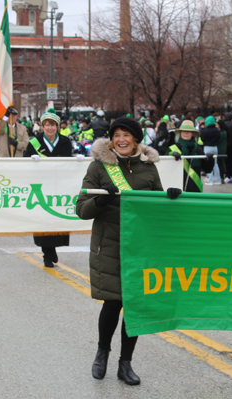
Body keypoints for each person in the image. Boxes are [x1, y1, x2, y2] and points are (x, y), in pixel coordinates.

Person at [76, 117, 178, 386]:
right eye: (117, 135)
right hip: (109, 244)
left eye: (127, 135)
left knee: (134, 305)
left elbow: (157, 209)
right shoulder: (99, 166)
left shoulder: (148, 168)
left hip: (140, 245)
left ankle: (126, 363)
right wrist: (100, 199)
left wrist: (171, 198)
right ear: (111, 139)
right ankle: (102, 353)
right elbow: (81, 210)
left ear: (136, 139)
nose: (121, 139)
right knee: (112, 303)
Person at [24, 110, 74, 267]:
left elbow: (69, 162)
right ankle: (46, 252)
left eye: (52, 125)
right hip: (42, 187)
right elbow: (24, 163)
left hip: (59, 186)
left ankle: (53, 249)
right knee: (43, 218)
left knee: (57, 216)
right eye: (47, 125)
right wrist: (31, 161)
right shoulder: (35, 143)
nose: (50, 128)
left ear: (57, 127)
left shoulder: (65, 141)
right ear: (42, 127)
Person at [168, 120, 215, 192]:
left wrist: (211, 159)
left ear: (193, 134)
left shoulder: (198, 149)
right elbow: (165, 166)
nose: (186, 133)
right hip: (177, 190)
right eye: (183, 131)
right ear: (180, 133)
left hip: (195, 190)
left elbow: (208, 169)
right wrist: (171, 155)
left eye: (188, 131)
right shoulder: (174, 148)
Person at [200, 116, 221, 185]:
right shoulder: (217, 130)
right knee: (215, 164)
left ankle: (211, 180)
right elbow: (219, 138)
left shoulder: (204, 130)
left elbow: (202, 138)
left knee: (209, 163)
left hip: (207, 147)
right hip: (215, 147)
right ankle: (218, 180)